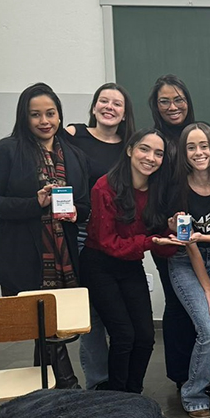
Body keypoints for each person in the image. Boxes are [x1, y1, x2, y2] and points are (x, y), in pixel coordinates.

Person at [0, 82, 90, 389]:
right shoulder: (8, 150)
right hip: (22, 257)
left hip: (65, 254)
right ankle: (68, 388)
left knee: (51, 331)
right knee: (44, 329)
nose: (44, 121)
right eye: (35, 115)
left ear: (59, 114)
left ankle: (47, 398)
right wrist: (34, 203)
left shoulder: (75, 155)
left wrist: (76, 213)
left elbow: (85, 204)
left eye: (50, 113)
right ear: (24, 118)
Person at [80, 128, 175, 393]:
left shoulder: (157, 189)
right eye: (145, 149)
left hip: (130, 265)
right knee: (123, 337)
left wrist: (173, 233)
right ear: (130, 150)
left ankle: (133, 395)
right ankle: (117, 400)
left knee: (145, 337)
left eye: (158, 153)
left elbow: (161, 244)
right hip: (99, 265)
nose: (151, 158)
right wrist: (151, 242)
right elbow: (109, 243)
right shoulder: (105, 186)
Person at [158, 123, 210, 418]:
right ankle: (193, 394)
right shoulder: (175, 188)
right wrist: (207, 289)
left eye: (204, 145)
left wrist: (201, 237)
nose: (198, 152)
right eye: (191, 147)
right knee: (208, 330)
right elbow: (187, 244)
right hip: (184, 261)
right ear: (183, 152)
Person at [65, 82, 136, 390]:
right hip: (81, 234)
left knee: (120, 315)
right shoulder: (73, 136)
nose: (109, 107)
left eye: (116, 103)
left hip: (119, 236)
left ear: (124, 113)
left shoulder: (131, 146)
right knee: (91, 315)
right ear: (94, 107)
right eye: (103, 101)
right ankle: (97, 383)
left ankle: (121, 381)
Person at [148, 75, 198, 389]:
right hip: (166, 236)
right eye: (164, 101)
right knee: (178, 304)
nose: (173, 107)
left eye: (178, 99)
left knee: (201, 307)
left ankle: (202, 370)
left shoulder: (198, 134)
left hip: (200, 236)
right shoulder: (153, 141)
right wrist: (164, 223)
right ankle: (182, 376)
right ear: (155, 106)